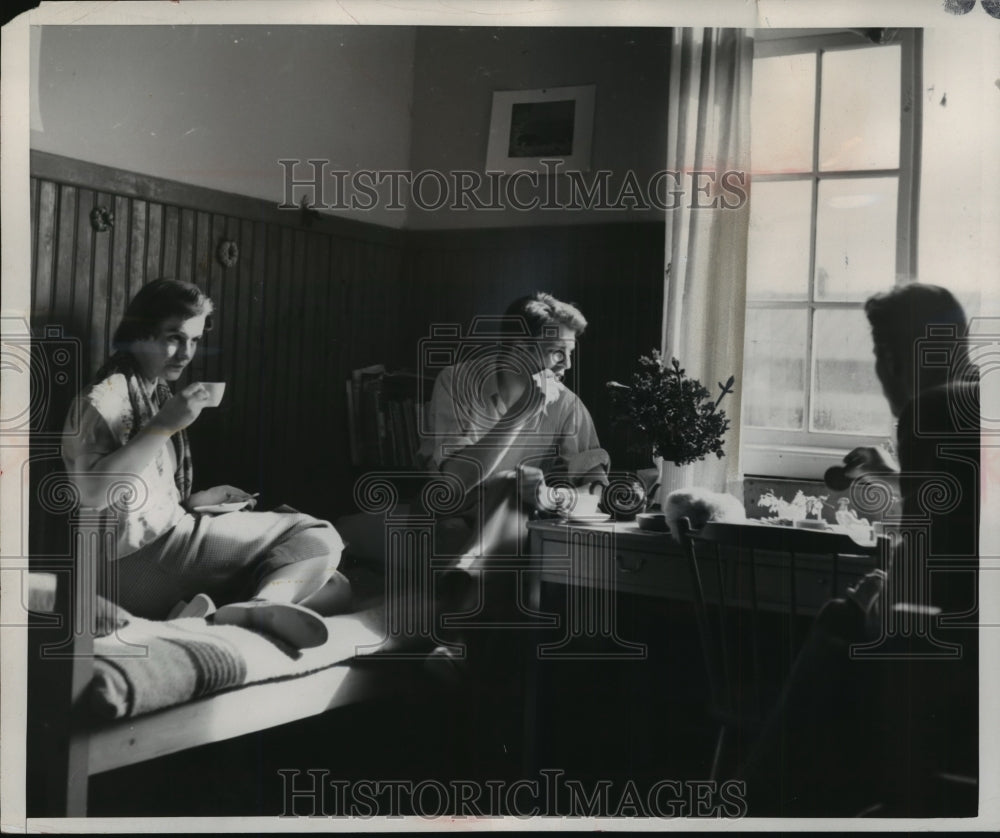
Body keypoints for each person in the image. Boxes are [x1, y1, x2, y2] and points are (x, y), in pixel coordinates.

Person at [738, 283, 980, 816]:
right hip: (973, 651)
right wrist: (893, 473)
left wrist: (879, 597)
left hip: (949, 664)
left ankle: (754, 805)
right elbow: (955, 532)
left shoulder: (928, 415)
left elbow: (924, 581)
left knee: (837, 624)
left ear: (891, 359)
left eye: (878, 354)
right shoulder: (976, 404)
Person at [61, 279, 349, 650]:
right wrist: (165, 425)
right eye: (175, 337)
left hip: (159, 549)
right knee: (317, 536)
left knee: (336, 587)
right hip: (129, 564)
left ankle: (201, 618)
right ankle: (260, 607)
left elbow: (137, 494)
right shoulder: (104, 399)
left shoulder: (153, 391)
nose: (186, 352)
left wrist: (197, 500)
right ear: (139, 333)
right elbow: (93, 493)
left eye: (194, 340)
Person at [419, 291, 611, 563]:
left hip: (522, 525)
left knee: (513, 490)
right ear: (520, 350)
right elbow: (456, 481)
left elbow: (596, 489)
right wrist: (522, 411)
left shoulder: (567, 405)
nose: (567, 365)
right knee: (495, 494)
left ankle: (465, 581)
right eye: (557, 352)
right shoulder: (457, 382)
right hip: (455, 516)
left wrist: (552, 496)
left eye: (570, 353)